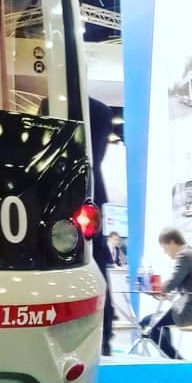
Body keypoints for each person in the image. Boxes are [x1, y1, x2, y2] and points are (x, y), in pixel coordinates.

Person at [140, 228, 192, 359]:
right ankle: (171, 361)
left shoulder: (184, 256)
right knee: (157, 324)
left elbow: (172, 282)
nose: (165, 252)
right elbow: (182, 287)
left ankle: (177, 361)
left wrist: (157, 289)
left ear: (171, 242)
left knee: (150, 325)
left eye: (165, 248)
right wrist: (165, 293)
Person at [88, 98, 116, 357]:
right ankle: (105, 335)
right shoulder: (102, 111)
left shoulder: (51, 104)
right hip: (95, 190)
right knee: (98, 264)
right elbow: (99, 155)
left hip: (69, 190)